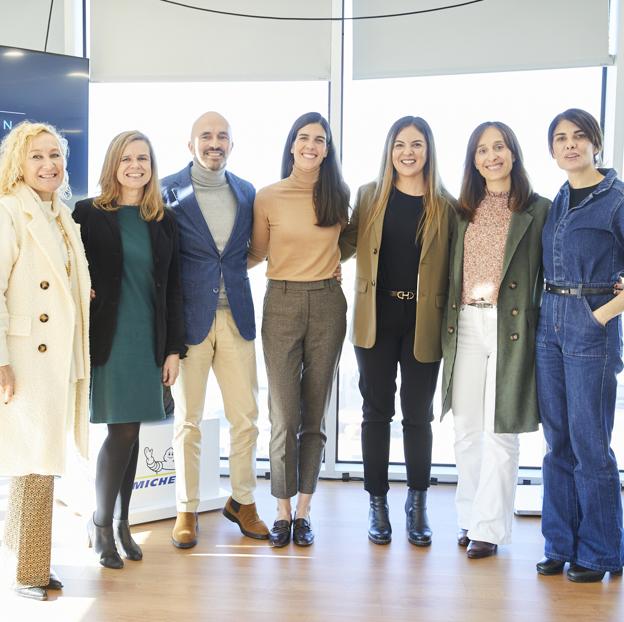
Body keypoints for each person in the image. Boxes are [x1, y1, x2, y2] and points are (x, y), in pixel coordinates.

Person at [73, 130, 185, 568]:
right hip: (110, 338)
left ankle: (122, 522)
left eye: (143, 158)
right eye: (126, 158)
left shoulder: (163, 219)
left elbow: (173, 288)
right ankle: (100, 523)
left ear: (152, 166)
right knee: (120, 431)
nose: (135, 165)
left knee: (133, 430)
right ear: (112, 165)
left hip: (150, 339)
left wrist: (173, 350)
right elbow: (68, 269)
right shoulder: (87, 212)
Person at [340, 116, 451, 546]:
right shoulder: (370, 196)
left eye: (417, 144)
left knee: (418, 416)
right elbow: (345, 241)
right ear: (390, 150)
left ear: (428, 150)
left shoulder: (446, 203)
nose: (408, 152)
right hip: (376, 319)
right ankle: (378, 502)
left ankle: (418, 502)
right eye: (400, 144)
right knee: (375, 412)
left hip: (424, 321)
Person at [441, 121, 550, 559]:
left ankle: (489, 529)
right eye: (482, 150)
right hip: (465, 324)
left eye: (499, 147)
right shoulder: (461, 210)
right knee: (466, 431)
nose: (491, 156)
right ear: (473, 160)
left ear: (513, 153)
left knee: (501, 430)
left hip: (512, 330)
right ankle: (469, 519)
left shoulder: (538, 209)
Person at [161, 112, 269, 548]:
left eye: (222, 136)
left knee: (246, 417)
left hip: (237, 318)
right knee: (188, 420)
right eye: (205, 136)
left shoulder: (246, 192)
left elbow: (254, 252)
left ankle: (243, 501)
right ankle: (186, 509)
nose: (214, 143)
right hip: (189, 322)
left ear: (231, 144)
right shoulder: (167, 189)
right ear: (191, 144)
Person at [249, 112, 349, 547]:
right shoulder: (267, 196)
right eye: (304, 138)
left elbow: (346, 244)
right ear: (292, 144)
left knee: (315, 413)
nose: (311, 145)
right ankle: (282, 510)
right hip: (282, 302)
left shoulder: (338, 195)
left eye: (320, 140)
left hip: (328, 302)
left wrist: (326, 271)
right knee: (284, 415)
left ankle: (305, 512)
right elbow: (254, 252)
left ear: (327, 150)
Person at [0, 121, 90, 600]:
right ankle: (29, 572)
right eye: (36, 156)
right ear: (18, 161)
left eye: (55, 155)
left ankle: (20, 558)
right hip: (24, 355)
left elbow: (63, 278)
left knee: (31, 459)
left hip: (54, 353)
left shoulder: (60, 213)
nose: (48, 165)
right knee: (35, 459)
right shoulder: (10, 211)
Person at [536, 108, 624, 582]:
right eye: (560, 138)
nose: (569, 145)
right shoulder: (559, 199)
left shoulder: (616, 199)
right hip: (549, 321)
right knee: (558, 442)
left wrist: (601, 316)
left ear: (596, 142)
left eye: (578, 136)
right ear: (552, 150)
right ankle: (560, 543)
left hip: (591, 322)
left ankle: (600, 552)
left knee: (592, 442)